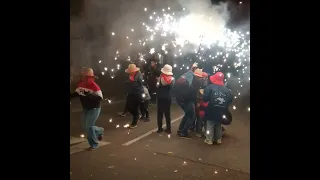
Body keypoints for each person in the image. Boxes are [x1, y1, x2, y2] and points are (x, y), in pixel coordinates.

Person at [70, 68, 104, 151]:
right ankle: (99, 130)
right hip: (86, 108)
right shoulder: (80, 85)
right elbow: (76, 93)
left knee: (88, 127)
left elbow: (99, 98)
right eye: (84, 77)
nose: (84, 78)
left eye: (87, 77)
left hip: (95, 108)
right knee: (85, 127)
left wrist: (90, 94)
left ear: (91, 78)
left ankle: (94, 144)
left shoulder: (95, 87)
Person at [203, 72, 233, 145]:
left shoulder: (209, 87)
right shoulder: (227, 90)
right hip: (222, 110)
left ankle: (209, 139)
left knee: (210, 124)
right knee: (218, 124)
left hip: (211, 108)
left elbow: (205, 98)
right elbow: (230, 100)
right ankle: (218, 139)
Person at [175, 68, 203, 139]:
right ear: (198, 76)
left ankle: (180, 130)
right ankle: (183, 132)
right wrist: (196, 103)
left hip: (179, 98)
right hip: (187, 100)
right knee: (191, 116)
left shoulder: (188, 78)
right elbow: (192, 95)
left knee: (187, 114)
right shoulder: (196, 82)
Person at [156, 64, 175, 134]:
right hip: (168, 98)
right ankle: (168, 129)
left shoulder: (160, 78)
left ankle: (160, 129)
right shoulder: (172, 79)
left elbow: (157, 86)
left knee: (160, 114)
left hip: (160, 97)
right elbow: (172, 87)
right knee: (167, 114)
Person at [125, 64, 144, 128]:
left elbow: (140, 84)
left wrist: (132, 83)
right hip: (130, 93)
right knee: (129, 106)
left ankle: (135, 121)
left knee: (135, 107)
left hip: (137, 93)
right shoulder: (129, 75)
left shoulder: (139, 75)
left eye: (131, 72)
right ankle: (137, 115)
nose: (130, 73)